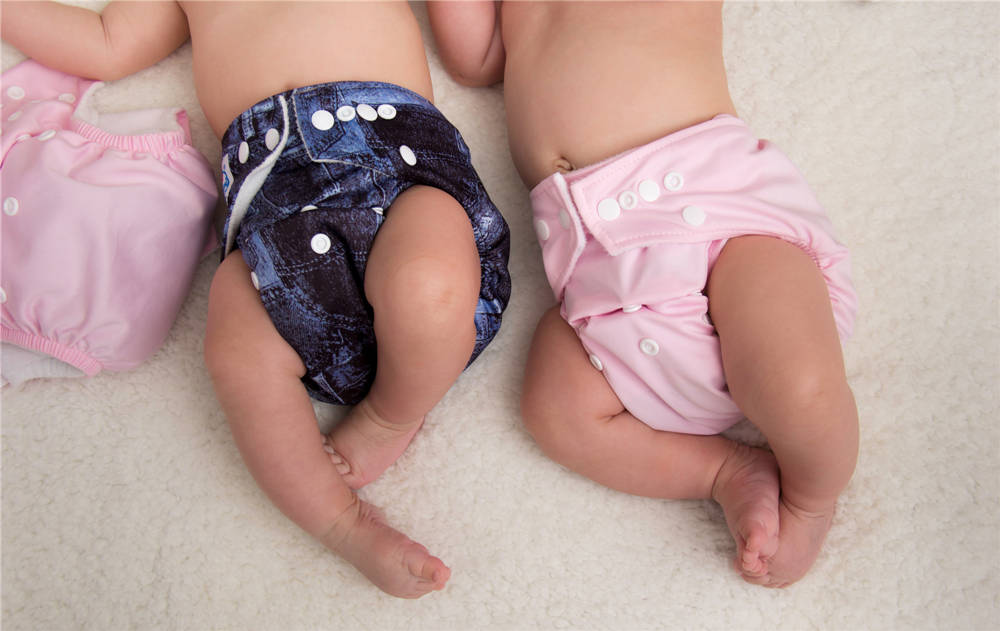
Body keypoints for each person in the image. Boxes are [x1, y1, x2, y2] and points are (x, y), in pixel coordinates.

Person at [3, 0, 512, 598]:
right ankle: (339, 522)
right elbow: (106, 41)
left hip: (398, 175)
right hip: (278, 220)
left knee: (427, 282)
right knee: (234, 336)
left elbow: (471, 42)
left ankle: (391, 414)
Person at [428, 1, 858, 588]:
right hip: (601, 279)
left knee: (798, 387)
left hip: (717, 217)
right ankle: (722, 473)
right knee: (553, 409)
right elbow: (478, 60)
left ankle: (812, 496)